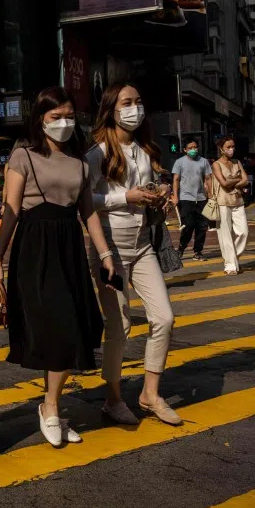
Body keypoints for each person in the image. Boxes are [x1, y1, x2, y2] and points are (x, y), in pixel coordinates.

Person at [0, 86, 114, 447]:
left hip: (69, 247)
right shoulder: (22, 157)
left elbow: (87, 212)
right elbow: (9, 211)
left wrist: (105, 256)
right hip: (34, 247)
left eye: (69, 116)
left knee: (72, 327)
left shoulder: (79, 162)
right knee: (56, 326)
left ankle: (51, 407)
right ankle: (52, 409)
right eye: (55, 117)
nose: (63, 123)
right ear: (40, 119)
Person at [88, 82, 181, 426]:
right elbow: (85, 200)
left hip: (143, 248)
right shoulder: (97, 153)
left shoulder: (144, 150)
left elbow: (144, 193)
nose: (134, 108)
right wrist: (124, 198)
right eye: (126, 102)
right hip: (108, 251)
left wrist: (158, 196)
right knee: (119, 326)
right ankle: (113, 400)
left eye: (138, 102)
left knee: (164, 318)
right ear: (111, 110)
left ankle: (149, 394)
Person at [212, 136, 249, 275]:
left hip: (238, 201)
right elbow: (224, 184)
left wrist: (233, 181)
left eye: (233, 146)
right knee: (225, 234)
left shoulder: (236, 162)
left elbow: (245, 180)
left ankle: (233, 258)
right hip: (222, 202)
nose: (231, 149)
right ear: (221, 149)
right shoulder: (216, 164)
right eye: (228, 147)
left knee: (243, 232)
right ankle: (230, 265)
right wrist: (237, 180)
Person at [172, 137, 213, 261]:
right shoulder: (179, 162)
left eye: (195, 147)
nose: (193, 150)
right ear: (185, 150)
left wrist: (211, 195)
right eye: (190, 148)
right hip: (186, 199)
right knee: (188, 226)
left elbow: (208, 179)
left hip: (201, 199)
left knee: (202, 227)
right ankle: (181, 249)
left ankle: (198, 252)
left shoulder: (204, 161)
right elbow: (176, 179)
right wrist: (175, 196)